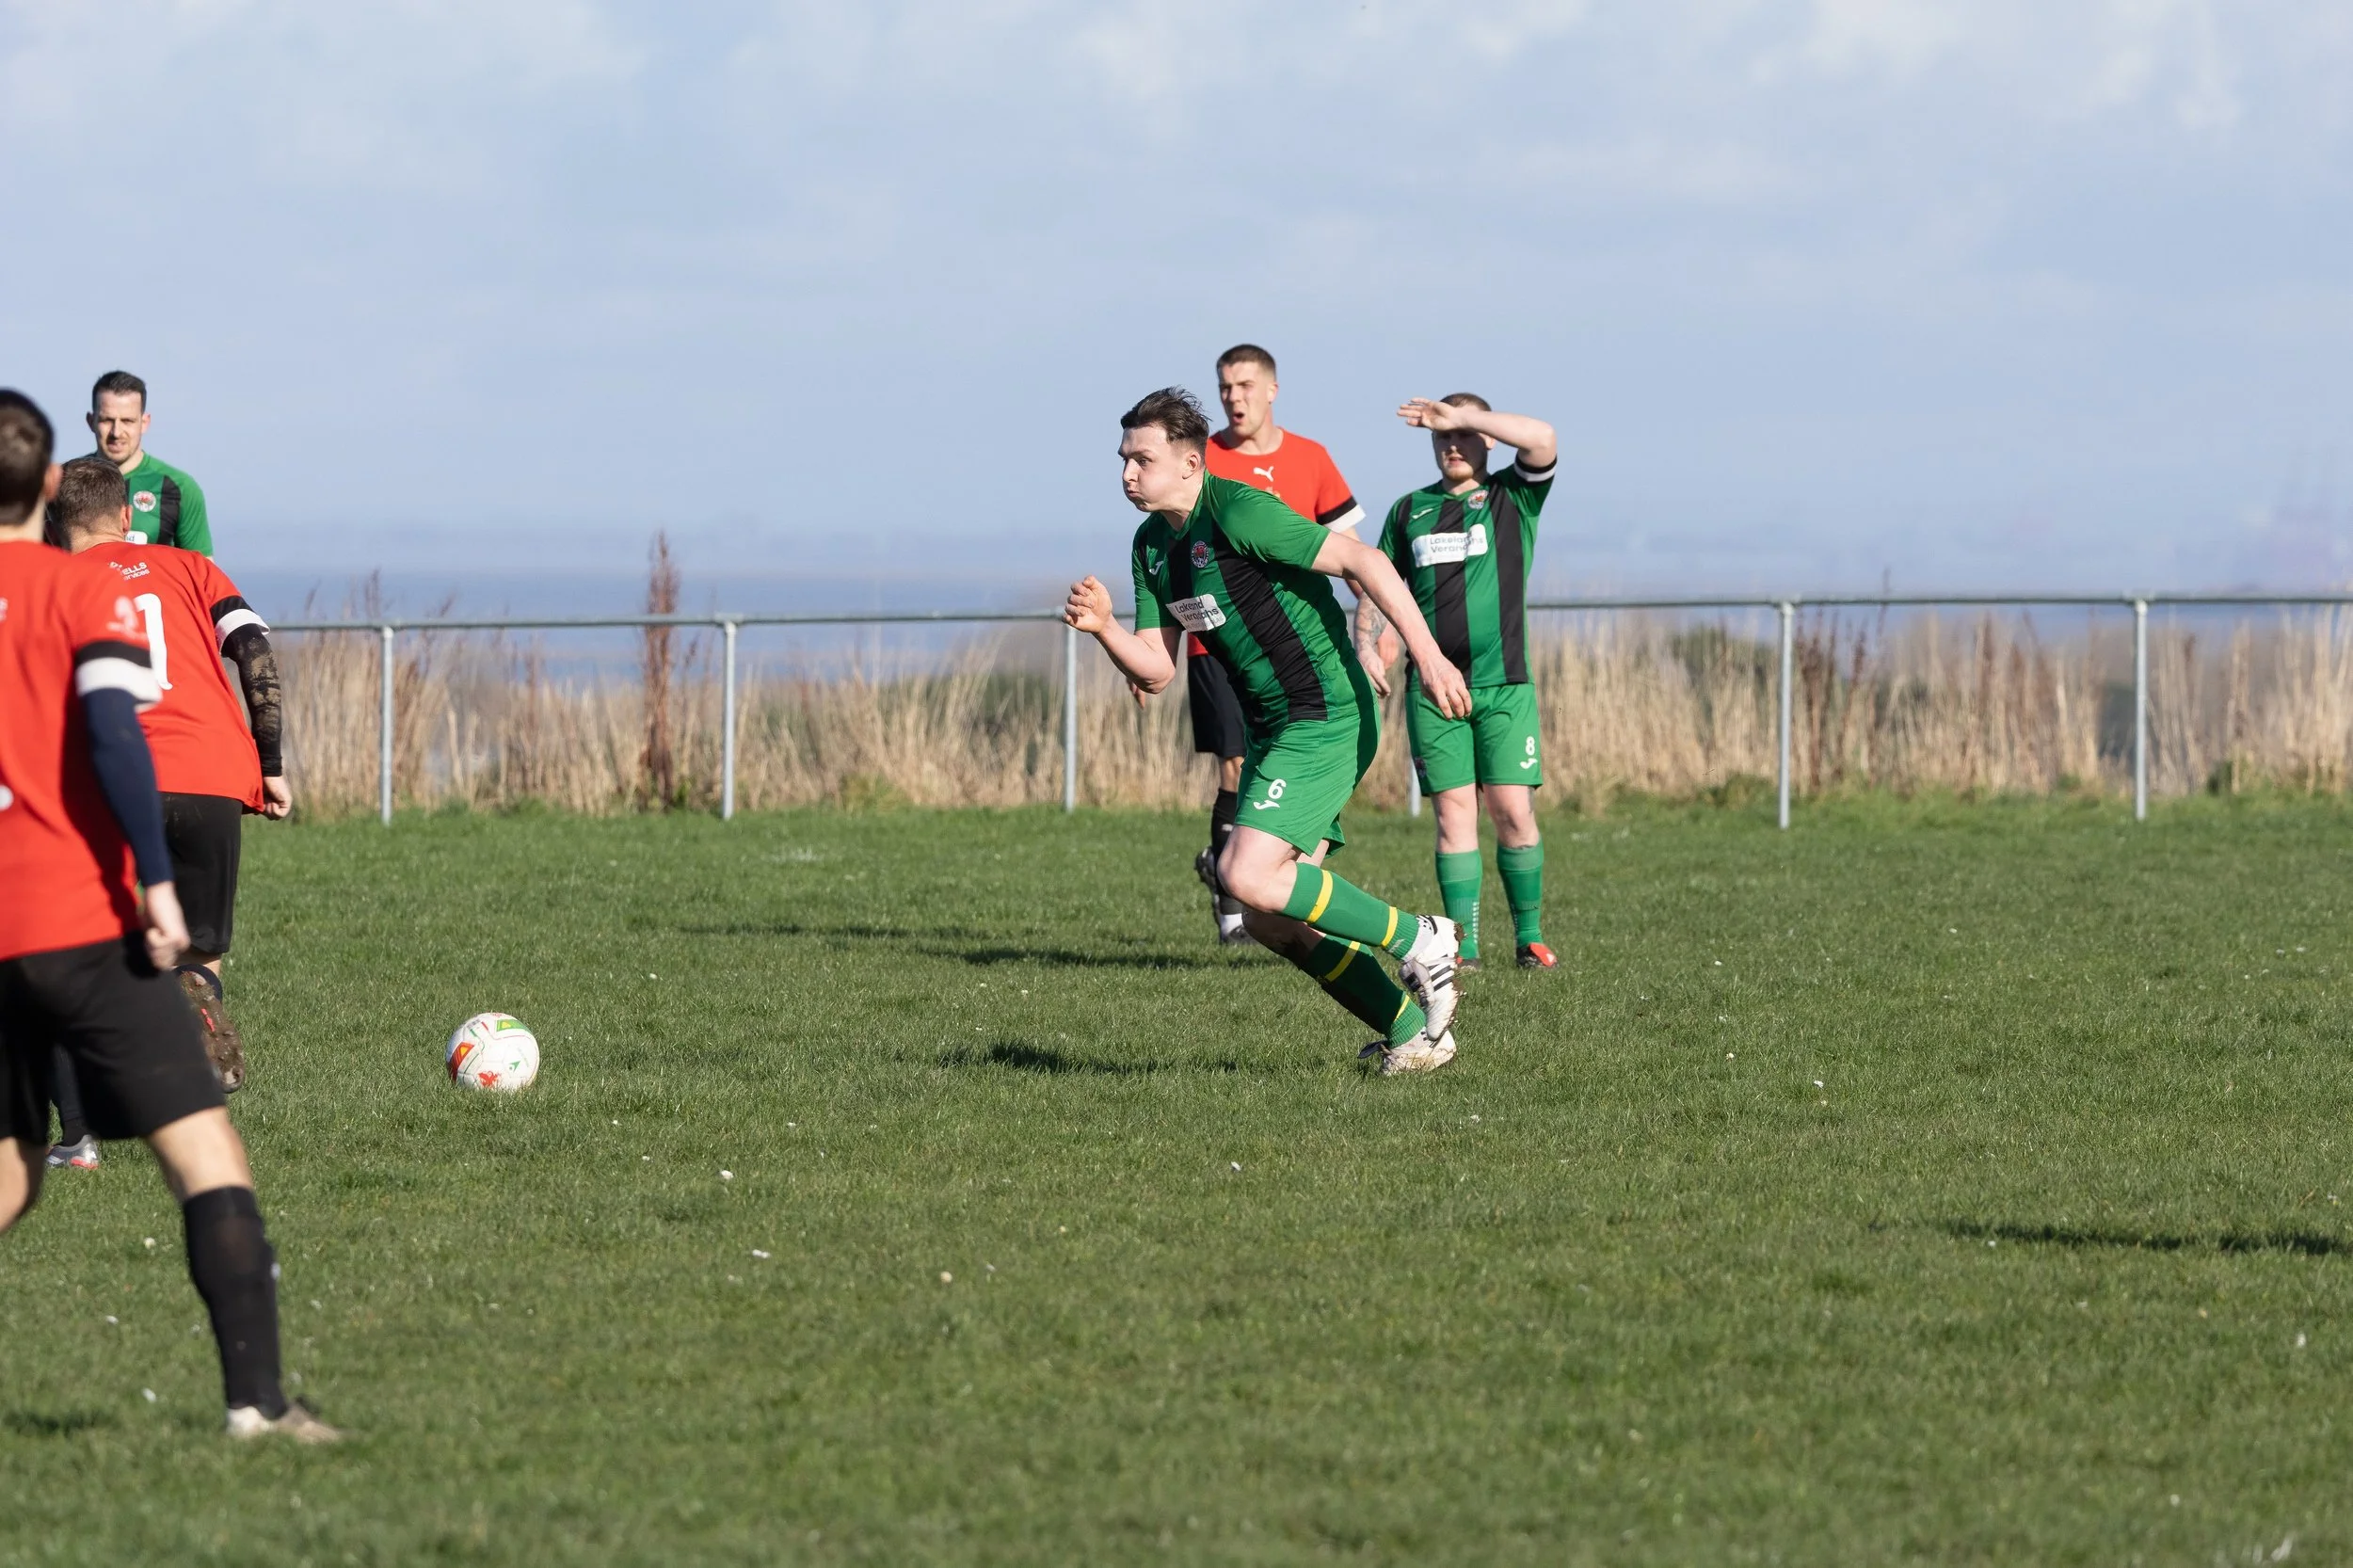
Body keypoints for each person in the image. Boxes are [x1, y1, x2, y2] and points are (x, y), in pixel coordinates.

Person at [0, 390, 334, 1441]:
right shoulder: (73, 588)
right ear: (51, 485)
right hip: (70, 914)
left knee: (8, 1169)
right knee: (206, 1154)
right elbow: (113, 737)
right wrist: (152, 881)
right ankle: (259, 1405)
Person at [1065, 388, 1470, 1075]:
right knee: (1267, 916)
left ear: (1191, 464)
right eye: (1123, 459)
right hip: (1274, 730)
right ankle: (1411, 1036)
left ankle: (1421, 937)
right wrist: (1104, 628)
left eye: (1143, 459)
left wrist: (1427, 656)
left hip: (1326, 712)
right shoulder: (1152, 546)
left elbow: (1366, 562)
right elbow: (1157, 669)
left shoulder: (1238, 509)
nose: (1128, 473)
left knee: (1244, 873)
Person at [43, 456, 287, 1158]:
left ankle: (79, 1138)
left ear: (58, 525)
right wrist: (270, 767)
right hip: (213, 771)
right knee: (200, 951)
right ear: (127, 516)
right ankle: (193, 1030)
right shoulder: (190, 568)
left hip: (120, 777)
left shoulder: (55, 584)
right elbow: (256, 654)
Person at [1185, 344, 1383, 945]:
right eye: (1224, 387)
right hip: (1216, 648)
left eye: (1244, 385)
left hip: (1297, 657)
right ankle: (1232, 911)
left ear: (1272, 390)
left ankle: (1245, 877)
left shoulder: (1309, 458)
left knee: (1271, 780)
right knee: (1235, 766)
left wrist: (1369, 636)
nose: (1233, 397)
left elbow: (1355, 555)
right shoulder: (1202, 460)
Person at [1357, 394, 1561, 970]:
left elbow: (1543, 436)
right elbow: (1375, 580)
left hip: (1505, 687)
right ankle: (1464, 946)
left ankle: (1530, 938)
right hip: (1433, 689)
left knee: (1512, 812)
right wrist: (1366, 639)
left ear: (1486, 437)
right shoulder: (1408, 511)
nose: (1451, 443)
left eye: (1462, 433)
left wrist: (1462, 415)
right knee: (1453, 816)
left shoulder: (1512, 497)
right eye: (1440, 434)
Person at [86, 369, 213, 556]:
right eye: (107, 420)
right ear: (91, 421)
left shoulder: (180, 488)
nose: (116, 432)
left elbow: (203, 575)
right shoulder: (64, 483)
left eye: (128, 421)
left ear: (144, 423)